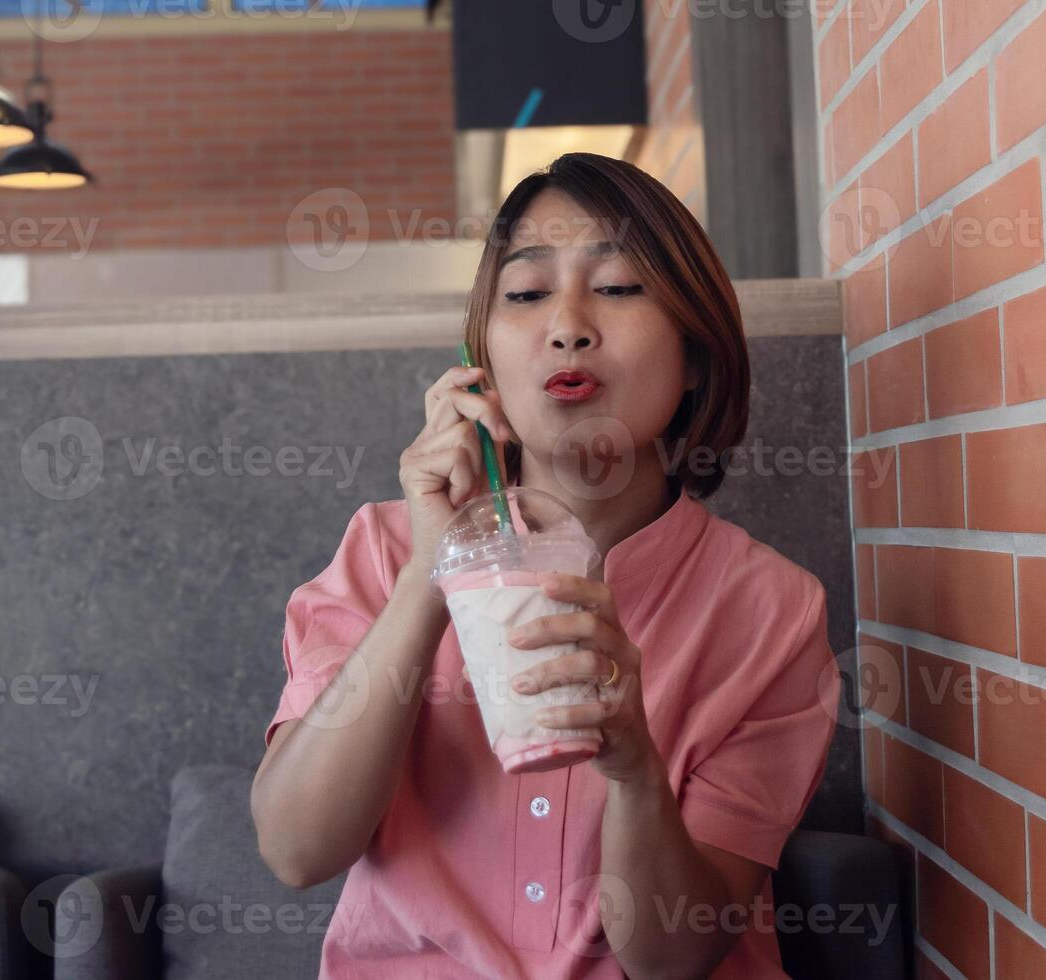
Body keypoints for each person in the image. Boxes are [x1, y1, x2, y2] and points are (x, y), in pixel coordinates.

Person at [251, 152, 840, 979]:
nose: (567, 324)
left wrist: (635, 769)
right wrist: (433, 572)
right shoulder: (383, 549)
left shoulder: (772, 610)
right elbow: (295, 849)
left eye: (620, 287)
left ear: (697, 353)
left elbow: (674, 958)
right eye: (526, 295)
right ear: (480, 364)